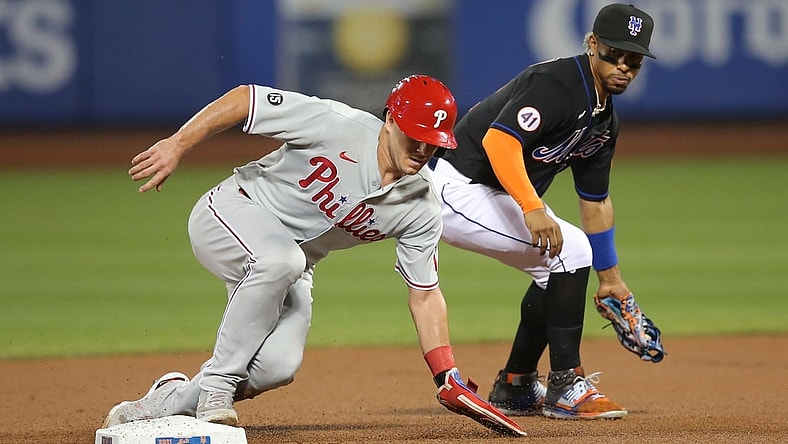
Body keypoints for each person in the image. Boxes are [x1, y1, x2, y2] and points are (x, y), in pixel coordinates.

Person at [101, 75, 525, 437]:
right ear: (390, 119)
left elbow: (425, 293)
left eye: (432, 143)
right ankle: (216, 388)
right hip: (232, 212)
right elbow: (244, 98)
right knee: (281, 260)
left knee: (277, 368)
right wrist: (179, 143)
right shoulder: (335, 124)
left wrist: (445, 372)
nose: (422, 150)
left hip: (289, 264)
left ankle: (163, 402)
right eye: (415, 137)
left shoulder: (421, 205)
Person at [427, 3, 656, 419]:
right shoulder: (558, 84)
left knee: (560, 264)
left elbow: (597, 201)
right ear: (592, 45)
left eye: (633, 60)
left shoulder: (605, 121)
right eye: (613, 54)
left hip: (492, 192)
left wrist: (612, 281)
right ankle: (566, 384)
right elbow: (499, 142)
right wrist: (532, 207)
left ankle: (515, 384)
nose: (622, 66)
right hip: (455, 186)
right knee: (571, 253)